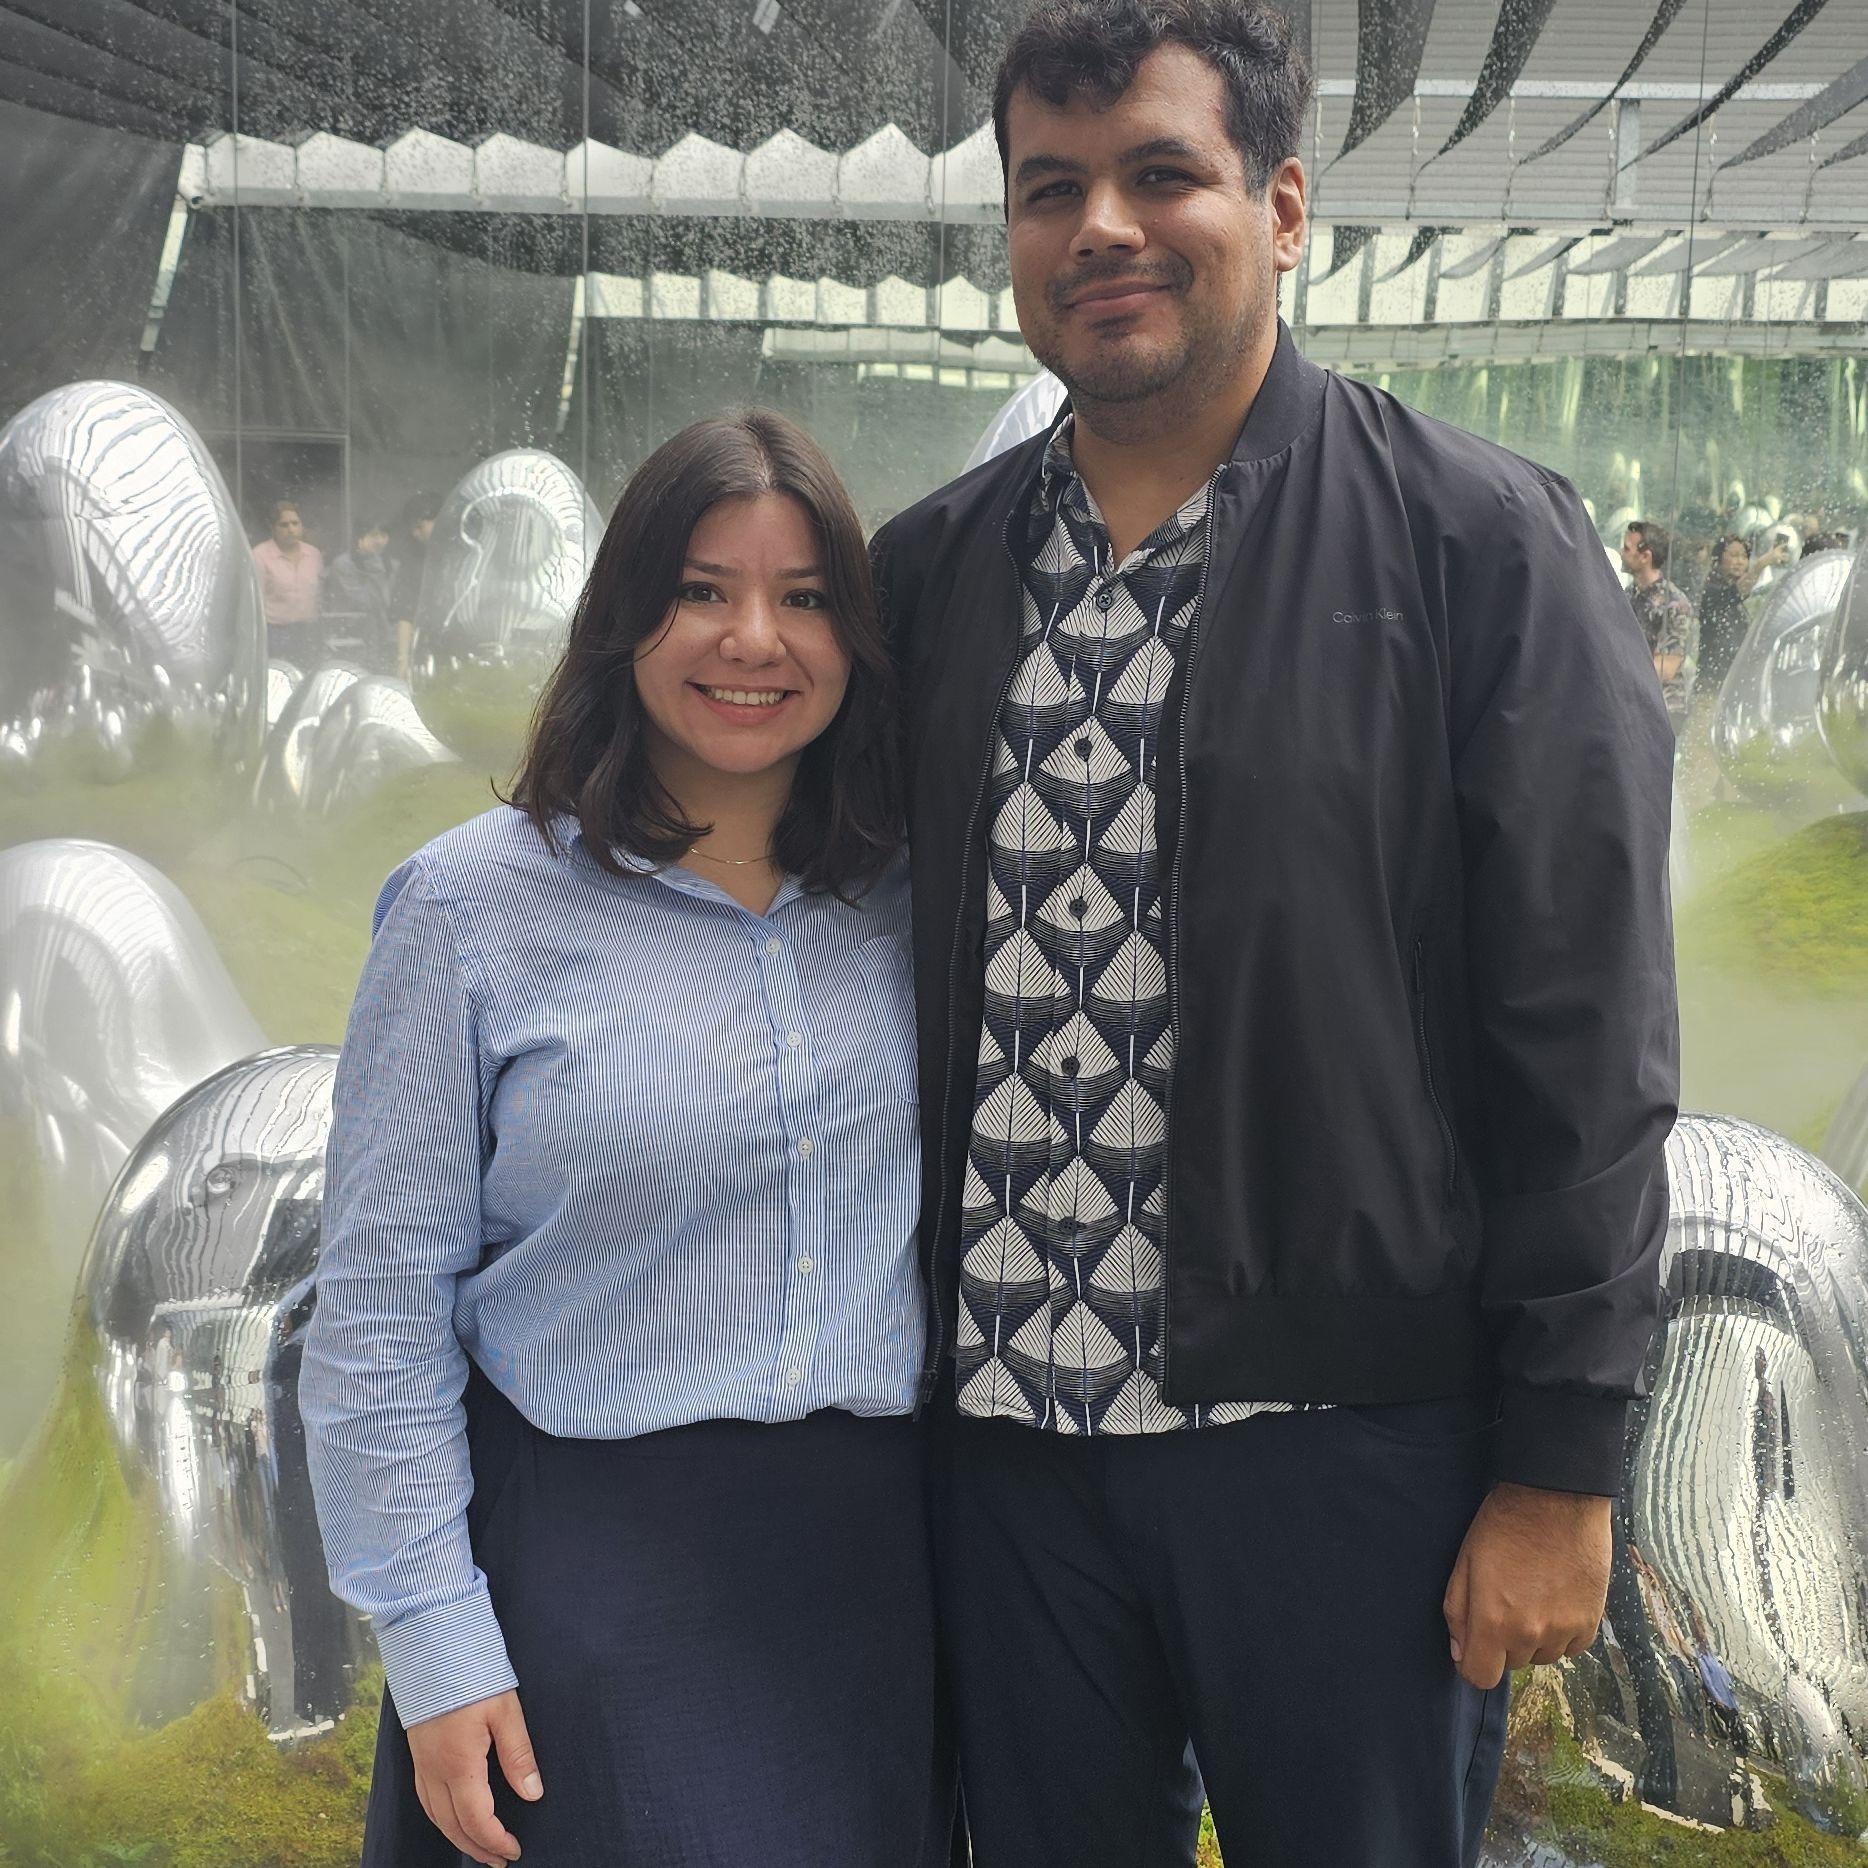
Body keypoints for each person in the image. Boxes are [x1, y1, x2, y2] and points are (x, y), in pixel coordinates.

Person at [869, 2, 1678, 1863]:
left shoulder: (1476, 548)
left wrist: (1560, 1462)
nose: (1101, 228)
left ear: (1284, 207)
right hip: (1002, 1445)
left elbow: (1587, 1031)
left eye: (1161, 174)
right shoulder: (932, 572)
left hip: (1341, 1448)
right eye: (1049, 188)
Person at [300, 410, 949, 1868]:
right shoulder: (469, 908)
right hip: (588, 1581)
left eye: (803, 597)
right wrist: (434, 1640)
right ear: (623, 617)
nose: (752, 639)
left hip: (873, 1577)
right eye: (701, 589)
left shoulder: (912, 895)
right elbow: (379, 1311)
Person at [1622, 520, 1699, 731]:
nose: (1622, 553)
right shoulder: (1628, 596)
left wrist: (1617, 669)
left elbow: (1667, 667)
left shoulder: (1675, 604)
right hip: (1633, 704)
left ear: (1645, 556)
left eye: (1627, 548)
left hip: (1663, 710)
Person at [252, 500, 324, 663]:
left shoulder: (313, 554)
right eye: (284, 525)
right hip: (275, 633)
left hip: (308, 631)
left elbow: (319, 594)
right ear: (273, 528)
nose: (291, 529)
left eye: (295, 523)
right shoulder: (259, 555)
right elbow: (255, 600)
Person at [323, 516, 395, 670]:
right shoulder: (344, 564)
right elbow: (366, 602)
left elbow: (392, 603)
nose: (379, 541)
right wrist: (374, 564)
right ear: (359, 538)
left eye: (383, 535)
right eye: (373, 535)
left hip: (384, 636)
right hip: (351, 634)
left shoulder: (392, 564)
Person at [389, 491, 439, 681]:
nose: (415, 533)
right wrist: (403, 660)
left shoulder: (470, 553)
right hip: (430, 650)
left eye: (419, 526)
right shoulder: (412, 563)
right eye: (412, 529)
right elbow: (405, 614)